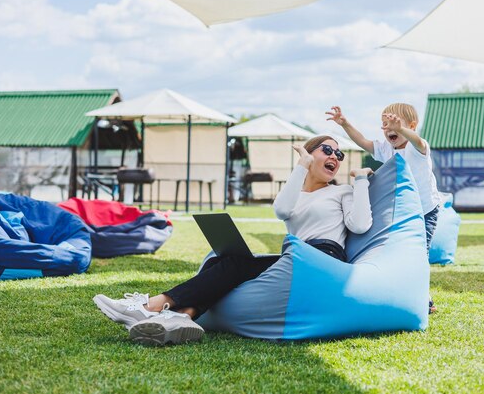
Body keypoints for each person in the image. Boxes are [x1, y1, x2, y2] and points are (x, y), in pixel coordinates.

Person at [93, 135, 374, 345]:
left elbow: (360, 224)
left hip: (324, 258)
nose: (335, 157)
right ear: (310, 155)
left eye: (339, 154)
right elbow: (282, 210)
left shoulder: (342, 192)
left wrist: (360, 180)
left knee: (236, 264)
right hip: (296, 258)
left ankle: (149, 306)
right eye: (327, 150)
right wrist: (301, 166)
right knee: (220, 260)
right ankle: (182, 317)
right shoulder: (294, 192)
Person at [326, 104, 440, 314]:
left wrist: (404, 130)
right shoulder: (386, 149)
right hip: (402, 211)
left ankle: (425, 300)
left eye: (395, 125)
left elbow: (419, 141)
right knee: (399, 252)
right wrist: (345, 123)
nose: (389, 130)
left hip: (425, 210)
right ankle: (401, 289)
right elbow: (362, 141)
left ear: (412, 126)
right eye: (385, 126)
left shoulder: (417, 148)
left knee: (419, 254)